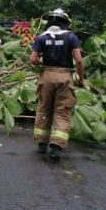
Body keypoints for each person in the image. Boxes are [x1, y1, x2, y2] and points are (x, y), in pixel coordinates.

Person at [29, 8, 84, 162]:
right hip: (65, 77)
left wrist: (43, 65)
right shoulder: (71, 37)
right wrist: (80, 79)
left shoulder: (41, 38)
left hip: (47, 76)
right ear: (65, 23)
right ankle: (56, 148)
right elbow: (79, 60)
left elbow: (32, 59)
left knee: (44, 109)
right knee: (62, 112)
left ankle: (41, 144)